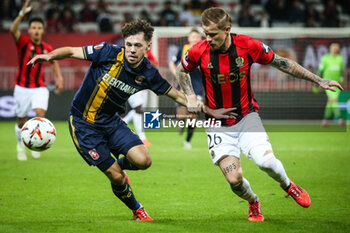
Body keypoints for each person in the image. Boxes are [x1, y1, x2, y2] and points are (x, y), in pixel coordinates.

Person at [28, 19, 234, 221]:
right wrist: (49, 56)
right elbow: (72, 51)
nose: (132, 50)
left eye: (138, 45)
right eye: (129, 44)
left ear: (148, 46)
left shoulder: (148, 73)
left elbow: (176, 94)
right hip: (84, 124)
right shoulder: (107, 52)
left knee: (144, 161)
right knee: (117, 176)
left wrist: (208, 110)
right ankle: (137, 209)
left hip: (111, 122)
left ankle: (114, 164)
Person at [176, 7, 343, 222]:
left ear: (227, 29)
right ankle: (253, 202)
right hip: (217, 125)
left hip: (247, 118)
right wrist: (190, 95)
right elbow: (182, 70)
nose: (207, 38)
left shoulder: (248, 45)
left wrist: (318, 80)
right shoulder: (199, 50)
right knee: (234, 180)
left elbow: (283, 64)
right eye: (205, 33)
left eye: (212, 34)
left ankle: (288, 185)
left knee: (266, 163)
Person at [10, 0, 63, 161]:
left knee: (40, 115)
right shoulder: (23, 43)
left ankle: (35, 144)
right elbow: (13, 30)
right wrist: (21, 13)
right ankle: (20, 144)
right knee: (21, 121)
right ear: (29, 30)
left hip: (40, 86)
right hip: (22, 87)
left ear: (42, 30)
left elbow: (53, 60)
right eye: (33, 28)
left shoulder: (46, 47)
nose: (36, 30)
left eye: (39, 28)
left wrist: (59, 77)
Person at [169, 28, 203, 150]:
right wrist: (176, 74)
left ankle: (187, 141)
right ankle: (181, 124)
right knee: (181, 117)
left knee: (193, 116)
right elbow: (172, 63)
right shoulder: (182, 49)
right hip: (183, 87)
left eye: (197, 37)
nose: (194, 39)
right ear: (189, 38)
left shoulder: (204, 50)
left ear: (200, 39)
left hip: (197, 88)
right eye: (192, 37)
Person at [123, 50, 158, 147]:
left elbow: (154, 65)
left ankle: (122, 123)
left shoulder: (148, 52)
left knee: (139, 110)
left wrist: (146, 60)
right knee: (139, 109)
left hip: (144, 87)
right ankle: (142, 138)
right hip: (132, 84)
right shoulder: (131, 50)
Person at [317, 43, 345, 127]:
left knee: (330, 102)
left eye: (336, 48)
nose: (334, 50)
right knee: (334, 100)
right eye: (333, 48)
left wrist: (341, 77)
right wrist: (317, 82)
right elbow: (320, 71)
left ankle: (325, 120)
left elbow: (341, 71)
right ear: (330, 49)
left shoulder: (340, 59)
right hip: (327, 83)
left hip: (337, 83)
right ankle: (340, 119)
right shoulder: (325, 58)